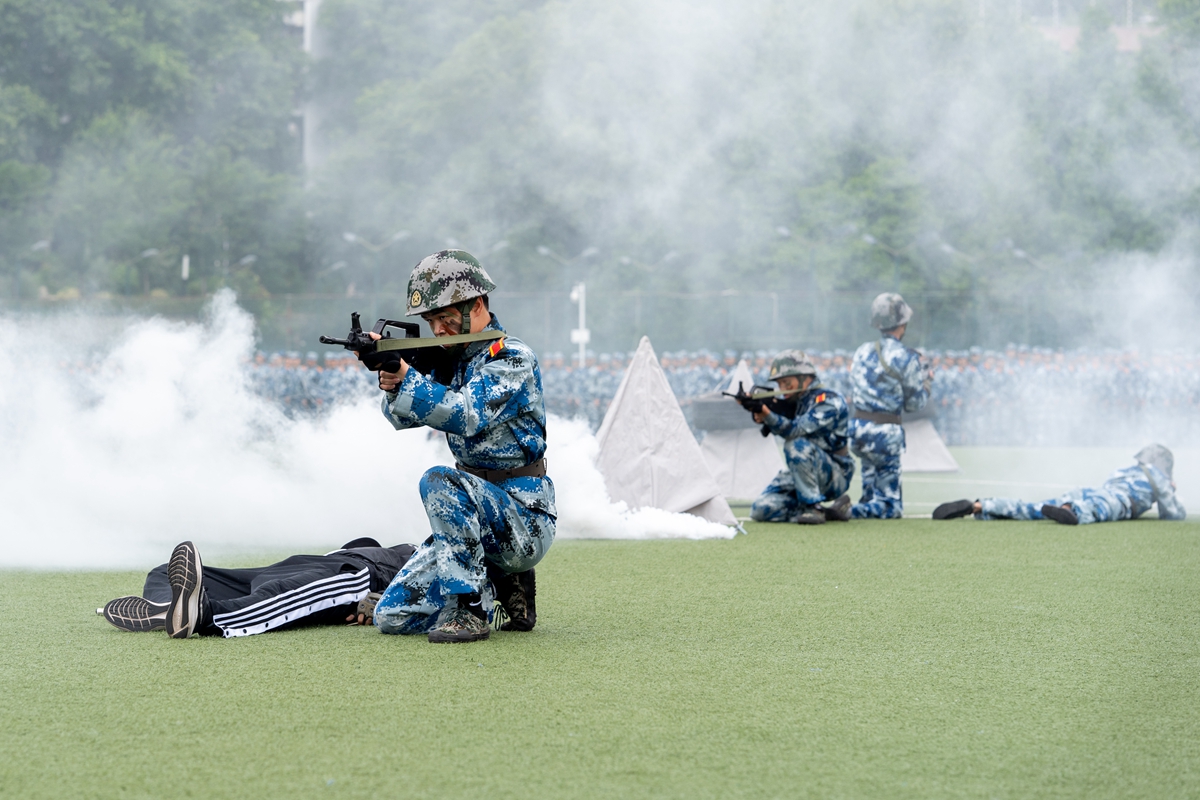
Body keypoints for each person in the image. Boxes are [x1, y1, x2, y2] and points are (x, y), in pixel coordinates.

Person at [369, 250, 554, 644]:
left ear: (478, 304)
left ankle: (468, 610)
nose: (438, 329)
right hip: (470, 523)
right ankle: (495, 582)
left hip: (523, 515)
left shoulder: (511, 357)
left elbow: (465, 414)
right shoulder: (449, 360)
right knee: (392, 615)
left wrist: (408, 378)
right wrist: (393, 376)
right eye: (431, 321)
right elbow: (401, 418)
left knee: (439, 480)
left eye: (446, 317)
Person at [99, 538, 415, 638]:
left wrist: (391, 600)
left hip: (362, 575)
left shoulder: (438, 556)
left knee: (278, 593)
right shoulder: (441, 542)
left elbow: (457, 596)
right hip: (316, 561)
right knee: (160, 573)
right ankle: (171, 607)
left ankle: (204, 615)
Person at [932, 444, 1186, 525]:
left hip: (1095, 490)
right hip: (1116, 500)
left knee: (1035, 507)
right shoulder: (1159, 478)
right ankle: (1069, 511)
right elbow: (1172, 514)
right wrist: (1170, 489)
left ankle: (981, 506)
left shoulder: (1127, 469)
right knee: (1092, 510)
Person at [848, 293, 932, 519]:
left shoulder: (862, 351)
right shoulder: (905, 357)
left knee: (870, 492)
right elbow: (915, 404)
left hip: (858, 429)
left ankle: (859, 507)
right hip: (884, 434)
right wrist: (927, 383)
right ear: (902, 323)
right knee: (890, 507)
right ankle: (847, 511)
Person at [749, 350, 854, 525]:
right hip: (803, 471)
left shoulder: (828, 401)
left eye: (787, 383)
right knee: (761, 509)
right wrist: (761, 414)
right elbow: (781, 424)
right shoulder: (795, 402)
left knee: (795, 444)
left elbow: (794, 430)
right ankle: (829, 511)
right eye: (779, 384)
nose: (782, 390)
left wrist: (767, 414)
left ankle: (812, 507)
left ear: (804, 377)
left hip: (835, 473)